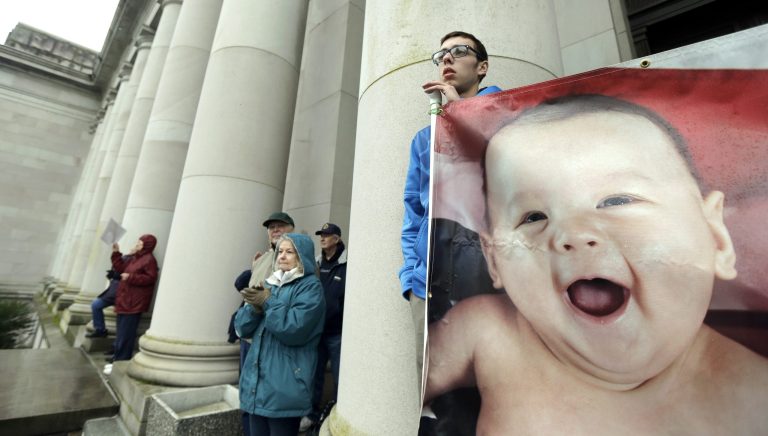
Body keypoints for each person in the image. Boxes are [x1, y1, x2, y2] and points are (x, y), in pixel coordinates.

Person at [424, 95, 768, 433]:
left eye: (616, 200)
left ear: (716, 237)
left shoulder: (754, 394)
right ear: (494, 258)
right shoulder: (489, 331)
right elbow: (395, 384)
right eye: (533, 217)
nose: (573, 233)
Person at [400, 31, 502, 387]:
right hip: (428, 281)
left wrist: (459, 111)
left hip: (487, 274)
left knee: (491, 389)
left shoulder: (507, 114)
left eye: (458, 51)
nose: (446, 58)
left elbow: (501, 173)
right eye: (440, 54)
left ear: (482, 66)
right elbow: (414, 211)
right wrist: (411, 275)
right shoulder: (423, 137)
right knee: (437, 390)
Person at [235, 233, 325, 436]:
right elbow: (242, 329)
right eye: (280, 251)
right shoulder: (270, 283)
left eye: (289, 252)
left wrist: (267, 302)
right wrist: (253, 309)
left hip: (285, 386)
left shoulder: (310, 287)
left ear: (302, 257)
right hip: (257, 385)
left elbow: (294, 329)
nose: (282, 256)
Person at [231, 211, 295, 435]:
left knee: (268, 400)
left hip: (273, 340)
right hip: (249, 337)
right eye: (271, 227)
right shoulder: (261, 259)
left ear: (291, 229)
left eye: (280, 226)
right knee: (248, 395)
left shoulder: (296, 259)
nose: (275, 230)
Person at [300, 223, 347, 432]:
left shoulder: (347, 263)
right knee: (314, 374)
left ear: (337, 239)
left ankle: (336, 411)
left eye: (327, 235)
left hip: (337, 333)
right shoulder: (317, 264)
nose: (322, 238)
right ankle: (311, 413)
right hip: (318, 332)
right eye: (321, 235)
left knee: (339, 376)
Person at [103, 234, 158, 374]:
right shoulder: (136, 258)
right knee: (121, 333)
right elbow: (120, 268)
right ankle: (117, 359)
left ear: (147, 245)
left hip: (133, 302)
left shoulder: (149, 260)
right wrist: (116, 253)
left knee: (126, 334)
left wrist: (131, 277)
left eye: (140, 243)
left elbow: (150, 278)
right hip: (125, 300)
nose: (137, 245)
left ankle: (120, 361)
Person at [85, 267, 121, 338]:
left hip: (125, 293)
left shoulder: (133, 259)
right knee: (96, 305)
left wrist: (116, 275)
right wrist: (113, 274)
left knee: (122, 316)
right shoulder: (123, 258)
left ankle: (119, 342)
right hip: (113, 292)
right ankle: (100, 330)